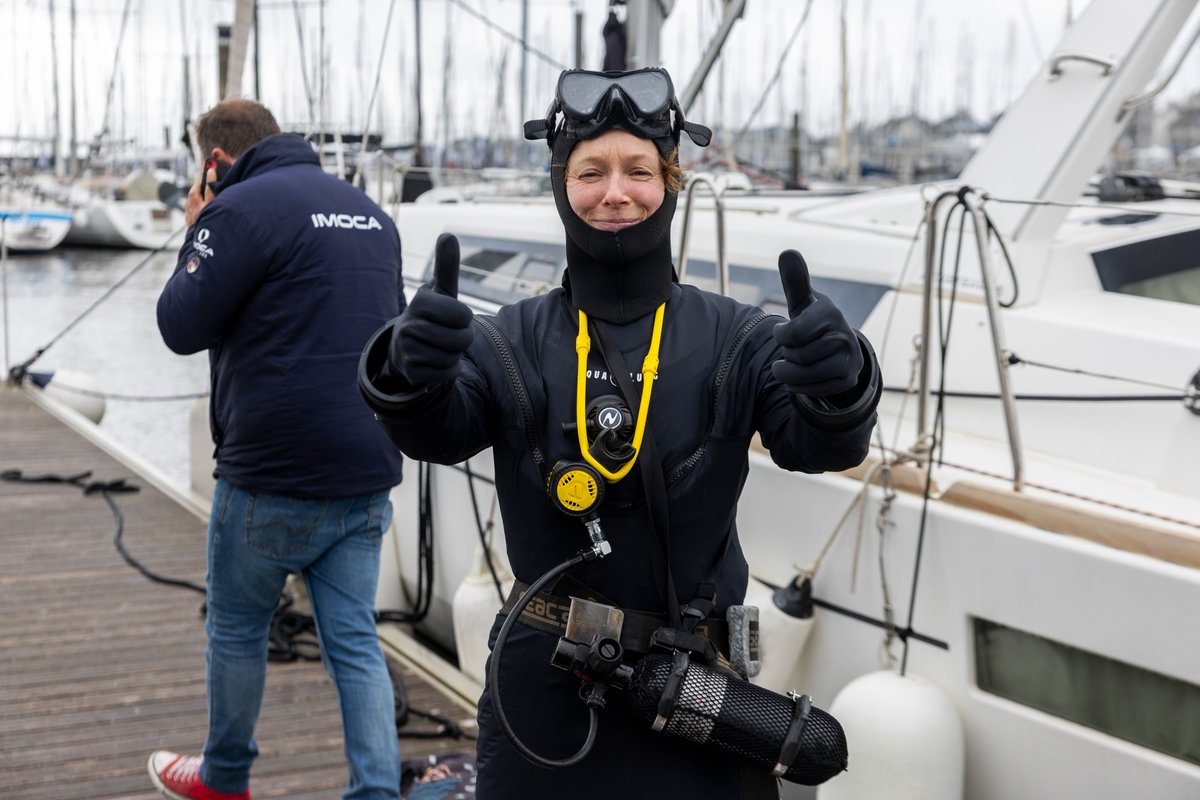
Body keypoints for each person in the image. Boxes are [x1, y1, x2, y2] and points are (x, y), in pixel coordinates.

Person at [358, 67, 881, 799]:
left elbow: (819, 447)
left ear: (670, 181)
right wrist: (408, 370)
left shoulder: (738, 339)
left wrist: (843, 381)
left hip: (701, 697)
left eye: (638, 170)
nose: (615, 193)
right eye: (591, 172)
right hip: (545, 691)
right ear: (560, 185)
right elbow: (435, 431)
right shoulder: (508, 340)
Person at [148, 98, 406, 800]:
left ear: (214, 162)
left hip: (271, 475)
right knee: (352, 640)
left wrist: (196, 231)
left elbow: (179, 323)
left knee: (236, 629)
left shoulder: (237, 210)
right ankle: (377, 792)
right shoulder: (371, 214)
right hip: (366, 471)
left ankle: (225, 778)